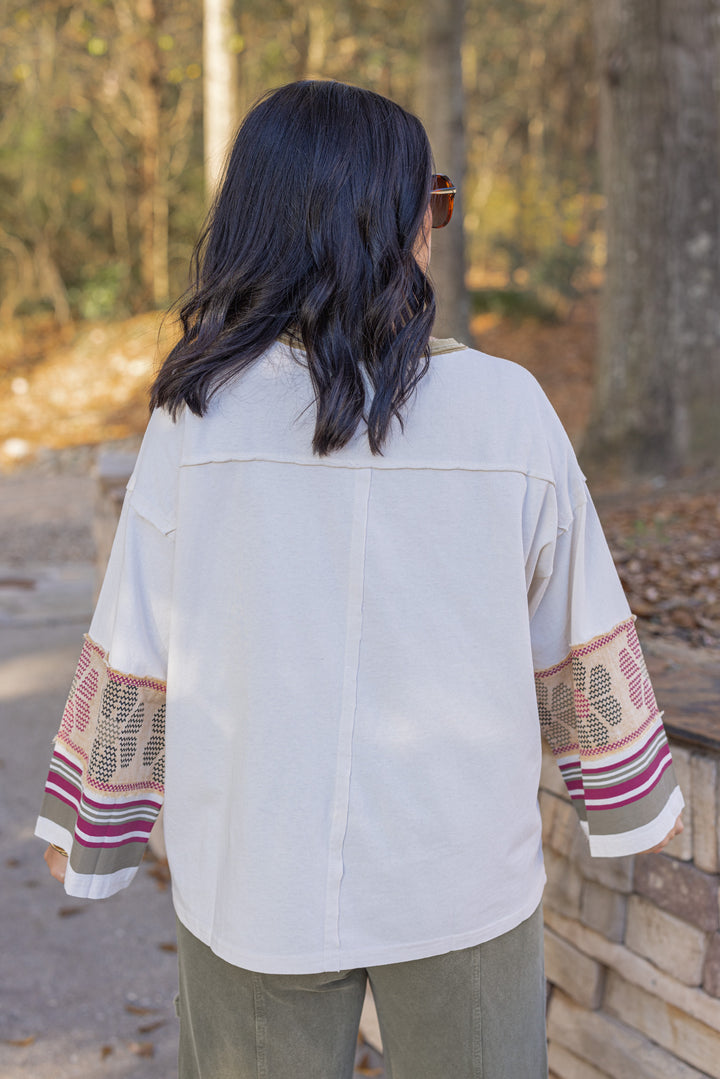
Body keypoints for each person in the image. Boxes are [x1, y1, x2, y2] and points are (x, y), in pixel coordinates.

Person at [37, 80, 684, 1079]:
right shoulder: (506, 410)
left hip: (255, 868)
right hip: (459, 868)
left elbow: (140, 643)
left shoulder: (195, 420)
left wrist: (93, 830)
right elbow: (574, 627)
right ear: (391, 222)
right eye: (432, 202)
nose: (435, 228)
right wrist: (630, 800)